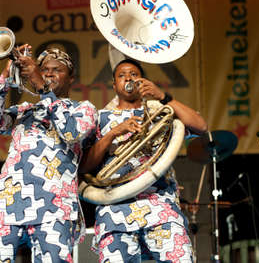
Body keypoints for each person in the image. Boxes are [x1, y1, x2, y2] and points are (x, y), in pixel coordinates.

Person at [0, 47, 97, 263]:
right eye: (44, 70)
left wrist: (42, 86)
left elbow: (71, 131)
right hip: (4, 205)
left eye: (56, 70)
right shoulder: (25, 110)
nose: (49, 73)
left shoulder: (83, 109)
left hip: (54, 209)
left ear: (71, 78)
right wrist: (5, 78)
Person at [80, 58, 208, 263]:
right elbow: (84, 166)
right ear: (114, 85)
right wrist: (113, 133)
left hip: (160, 207)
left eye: (133, 74)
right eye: (121, 75)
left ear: (143, 81)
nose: (128, 78)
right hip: (114, 210)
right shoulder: (100, 117)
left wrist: (163, 96)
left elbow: (201, 126)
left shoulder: (160, 113)